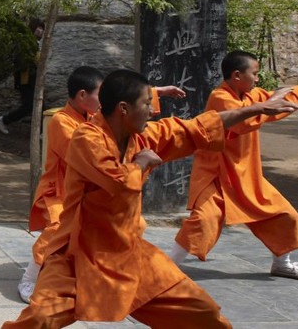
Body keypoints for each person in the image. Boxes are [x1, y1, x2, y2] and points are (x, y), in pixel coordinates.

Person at [5, 69, 298, 328]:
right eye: (147, 104)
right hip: (77, 255)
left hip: (130, 254)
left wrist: (257, 108)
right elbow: (118, 182)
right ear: (123, 108)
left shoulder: (142, 136)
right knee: (39, 321)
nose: (151, 110)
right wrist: (141, 164)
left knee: (202, 313)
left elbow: (197, 127)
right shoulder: (87, 138)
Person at [16, 68, 186, 301]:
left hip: (87, 192)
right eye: (100, 94)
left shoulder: (89, 118)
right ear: (83, 95)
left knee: (131, 224)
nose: (104, 101)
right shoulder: (61, 121)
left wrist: (156, 93)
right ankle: (28, 279)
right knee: (57, 231)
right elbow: (87, 155)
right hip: (59, 192)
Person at [168, 50, 298, 280]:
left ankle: (282, 263)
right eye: (255, 73)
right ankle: (167, 266)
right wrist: (268, 105)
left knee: (284, 214)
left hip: (246, 173)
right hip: (216, 174)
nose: (258, 78)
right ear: (237, 75)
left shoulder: (250, 95)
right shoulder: (221, 97)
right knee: (204, 219)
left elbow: (280, 99)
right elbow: (244, 121)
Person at [0, 18, 45, 134]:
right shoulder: (26, 43)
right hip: (26, 80)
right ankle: (4, 120)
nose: (40, 31)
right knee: (30, 106)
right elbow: (23, 61)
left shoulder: (33, 43)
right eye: (38, 27)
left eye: (42, 28)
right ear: (32, 28)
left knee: (40, 106)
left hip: (32, 80)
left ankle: (42, 133)